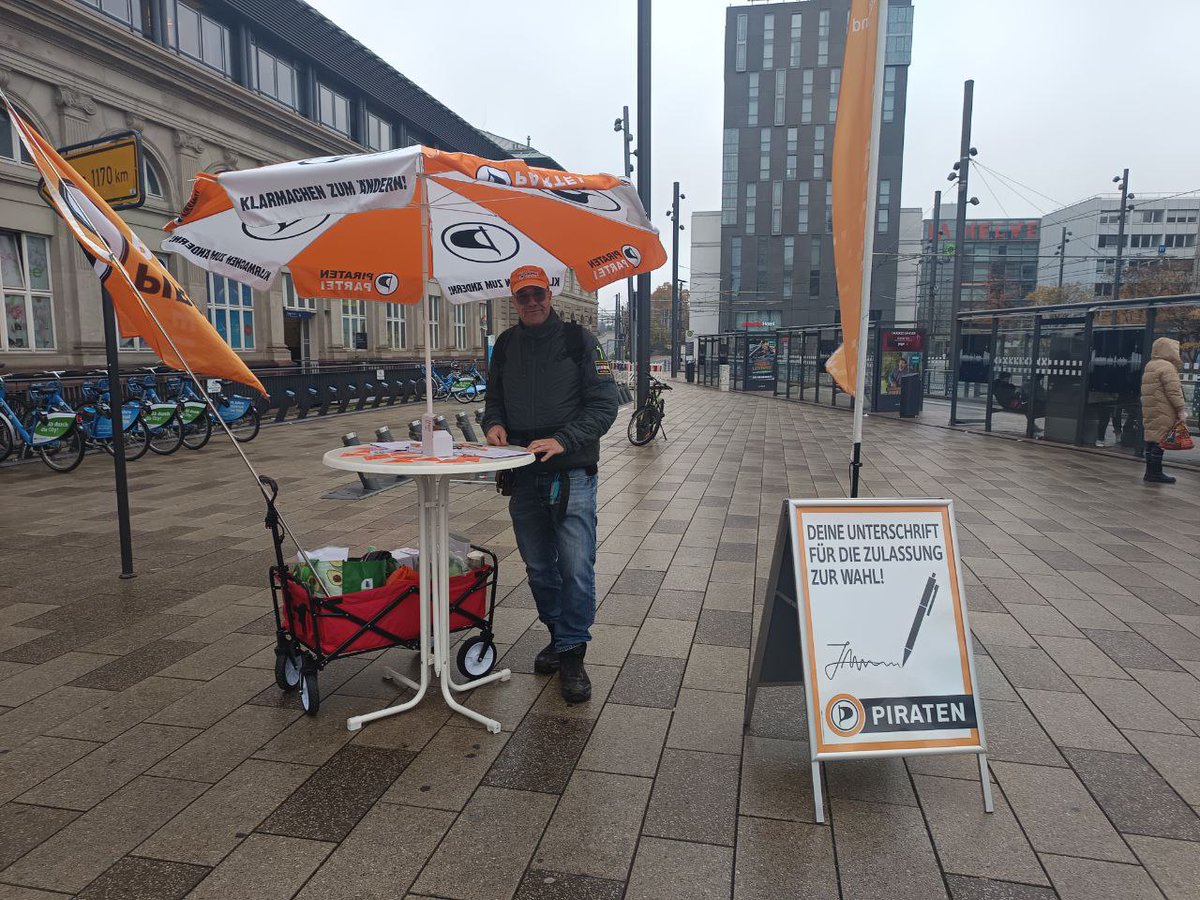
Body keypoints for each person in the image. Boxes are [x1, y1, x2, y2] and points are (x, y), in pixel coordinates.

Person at [483, 265, 618, 702]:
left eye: (538, 294)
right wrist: (495, 423)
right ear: (514, 300)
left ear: (550, 295)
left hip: (573, 472)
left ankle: (573, 652)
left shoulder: (581, 341)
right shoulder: (505, 345)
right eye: (523, 296)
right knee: (540, 567)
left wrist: (563, 439)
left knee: (576, 567)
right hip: (522, 473)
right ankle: (560, 636)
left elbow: (605, 405)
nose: (532, 302)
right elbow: (494, 399)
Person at [1140, 337, 1187, 485]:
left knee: (1151, 440)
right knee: (1161, 440)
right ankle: (1155, 472)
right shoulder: (1167, 367)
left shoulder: (1151, 365)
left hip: (1151, 409)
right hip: (1163, 409)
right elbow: (1173, 391)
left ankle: (1150, 471)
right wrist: (1181, 409)